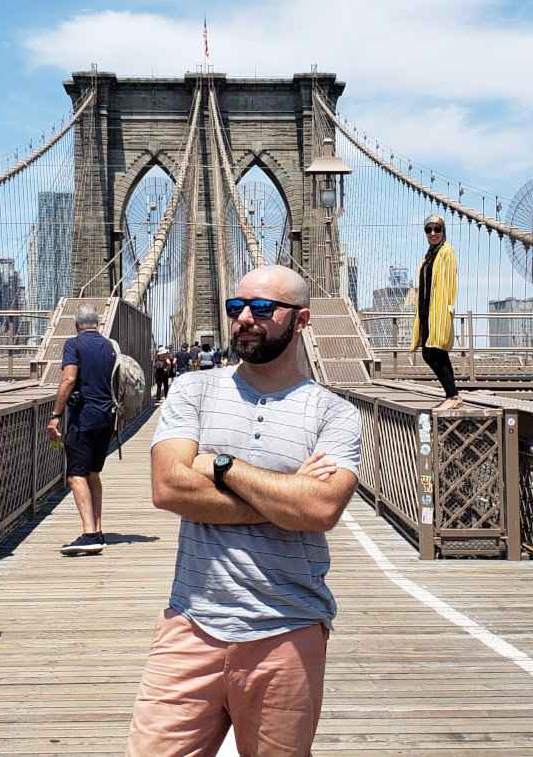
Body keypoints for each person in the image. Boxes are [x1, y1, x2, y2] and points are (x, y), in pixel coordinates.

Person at [128, 265, 362, 756]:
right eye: (237, 308)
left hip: (289, 629)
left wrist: (221, 466)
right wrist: (285, 498)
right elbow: (168, 487)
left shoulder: (334, 412)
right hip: (191, 623)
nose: (245, 319)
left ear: (301, 321)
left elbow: (321, 509)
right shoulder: (193, 390)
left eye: (262, 308)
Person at [47, 303, 117, 556]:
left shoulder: (73, 344)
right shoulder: (109, 346)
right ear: (96, 323)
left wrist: (55, 415)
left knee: (76, 475)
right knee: (93, 474)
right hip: (106, 418)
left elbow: (68, 379)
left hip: (83, 419)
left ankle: (89, 535)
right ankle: (97, 530)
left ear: (77, 324)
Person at [411, 214, 462, 409]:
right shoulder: (430, 254)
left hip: (438, 309)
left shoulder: (447, 251)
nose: (433, 233)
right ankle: (452, 395)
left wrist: (447, 309)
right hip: (425, 308)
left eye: (437, 229)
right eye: (428, 229)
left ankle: (453, 396)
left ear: (443, 230)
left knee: (434, 351)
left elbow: (451, 282)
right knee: (429, 352)